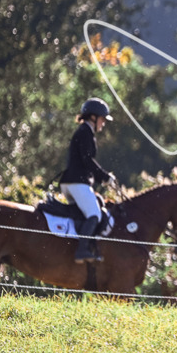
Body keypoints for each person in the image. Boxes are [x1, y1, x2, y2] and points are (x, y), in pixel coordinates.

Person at [59, 98, 114, 263]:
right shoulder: (85, 132)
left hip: (70, 182)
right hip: (77, 182)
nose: (103, 123)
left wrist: (101, 177)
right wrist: (105, 177)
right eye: (102, 119)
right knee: (95, 214)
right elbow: (87, 160)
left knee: (85, 213)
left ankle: (84, 245)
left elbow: (86, 162)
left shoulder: (85, 131)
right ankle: (82, 251)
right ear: (93, 117)